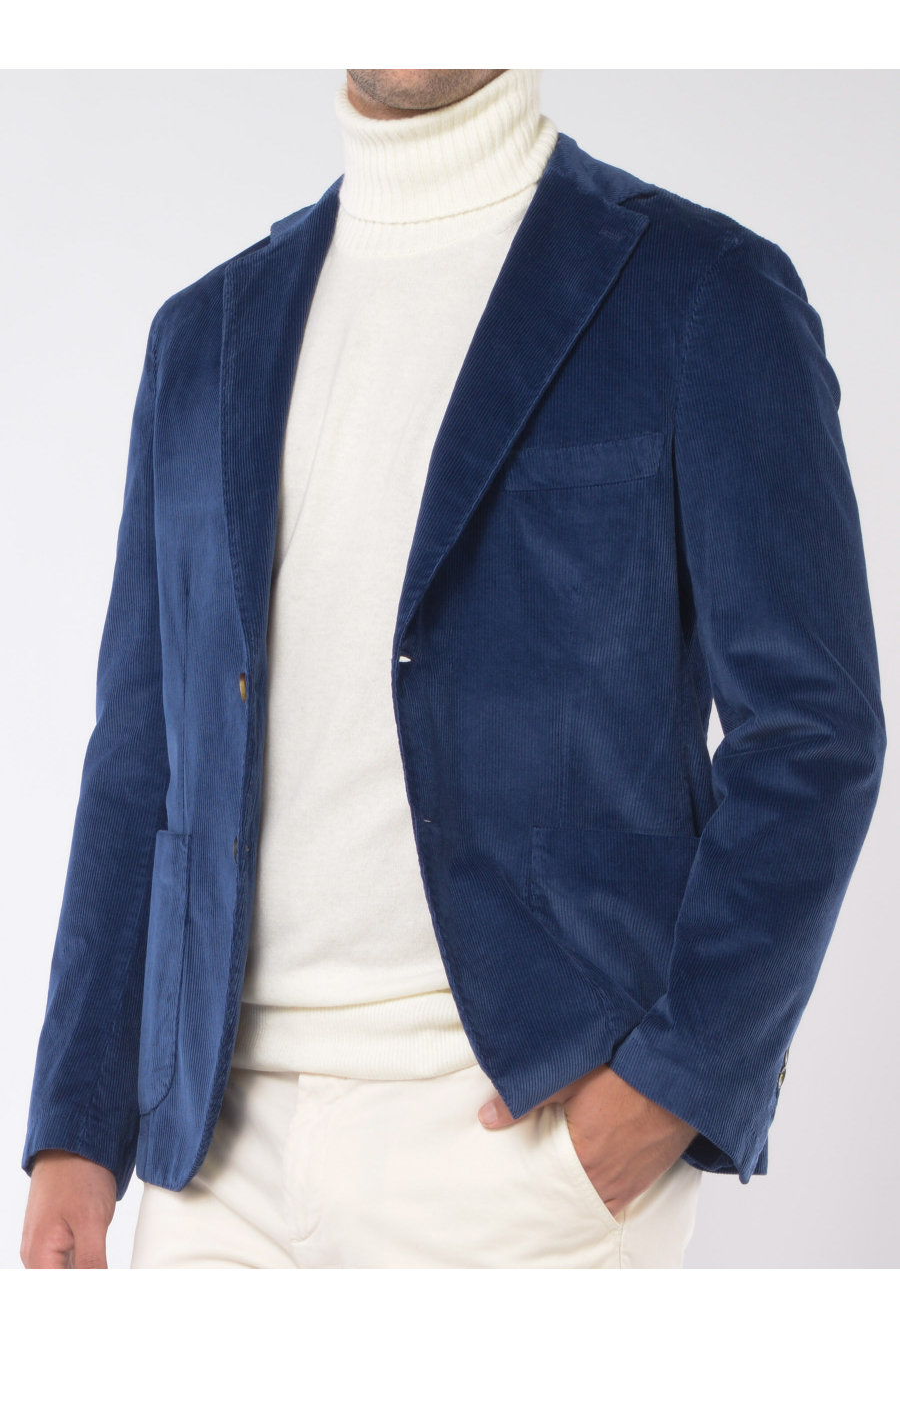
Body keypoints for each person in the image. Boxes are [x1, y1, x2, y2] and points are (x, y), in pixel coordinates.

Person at [20, 69, 885, 1269]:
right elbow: (141, 753)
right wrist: (77, 1124)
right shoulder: (204, 334)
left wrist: (679, 1079)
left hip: (515, 1151)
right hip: (213, 1162)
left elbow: (813, 730)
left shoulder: (703, 291)